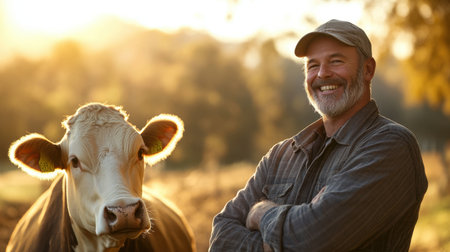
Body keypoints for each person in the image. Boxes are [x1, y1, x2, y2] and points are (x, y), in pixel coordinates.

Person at [209, 19, 428, 252]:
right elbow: (221, 238)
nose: (322, 74)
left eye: (336, 61)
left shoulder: (390, 146)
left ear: (368, 69)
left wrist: (261, 213)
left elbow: (313, 242)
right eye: (313, 65)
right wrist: (288, 232)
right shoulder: (280, 155)